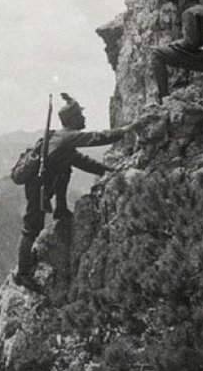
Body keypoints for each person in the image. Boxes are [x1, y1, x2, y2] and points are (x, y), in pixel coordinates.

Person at [14, 93, 132, 291]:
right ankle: (22, 274)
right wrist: (126, 129)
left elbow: (82, 162)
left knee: (66, 168)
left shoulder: (62, 139)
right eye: (80, 115)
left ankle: (60, 209)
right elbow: (97, 137)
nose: (84, 119)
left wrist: (108, 170)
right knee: (31, 227)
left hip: (40, 183)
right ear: (73, 119)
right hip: (38, 186)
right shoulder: (67, 137)